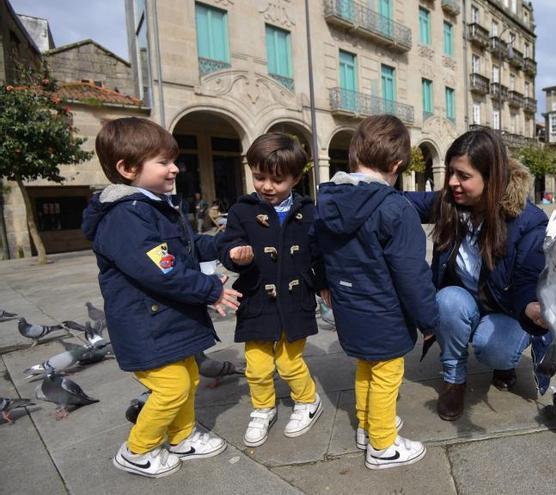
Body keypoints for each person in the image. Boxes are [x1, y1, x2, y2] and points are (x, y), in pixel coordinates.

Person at [82, 117, 240, 478]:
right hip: (145, 325)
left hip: (167, 321)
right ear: (127, 168)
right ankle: (137, 450)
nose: (174, 169)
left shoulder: (155, 205)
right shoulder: (126, 216)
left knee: (188, 376)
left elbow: (185, 248)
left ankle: (182, 436)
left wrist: (223, 243)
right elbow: (161, 270)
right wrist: (211, 289)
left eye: (173, 160)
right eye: (163, 162)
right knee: (172, 386)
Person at [314, 115, 438, 470]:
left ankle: (367, 426)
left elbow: (316, 248)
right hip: (384, 312)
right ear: (397, 164)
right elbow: (412, 274)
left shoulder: (328, 201)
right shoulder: (395, 208)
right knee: (386, 375)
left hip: (349, 308)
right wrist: (429, 320)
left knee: (365, 368)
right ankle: (382, 446)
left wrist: (322, 285)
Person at [406, 129, 549, 422]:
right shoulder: (449, 203)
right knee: (447, 300)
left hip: (508, 309)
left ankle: (504, 364)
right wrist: (361, 188)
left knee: (494, 348)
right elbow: (400, 202)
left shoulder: (528, 221)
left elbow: (526, 280)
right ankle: (454, 378)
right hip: (463, 303)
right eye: (450, 172)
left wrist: (530, 307)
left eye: (463, 175)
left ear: (491, 177)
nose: (451, 182)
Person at [216, 133, 327, 448]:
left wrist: (324, 285)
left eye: (276, 180)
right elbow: (228, 243)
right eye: (259, 176)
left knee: (290, 363)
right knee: (257, 365)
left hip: (296, 299)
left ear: (295, 177)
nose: (266, 186)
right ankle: (263, 408)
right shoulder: (242, 210)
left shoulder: (308, 211)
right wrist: (235, 253)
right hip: (257, 298)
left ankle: (308, 401)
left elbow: (318, 254)